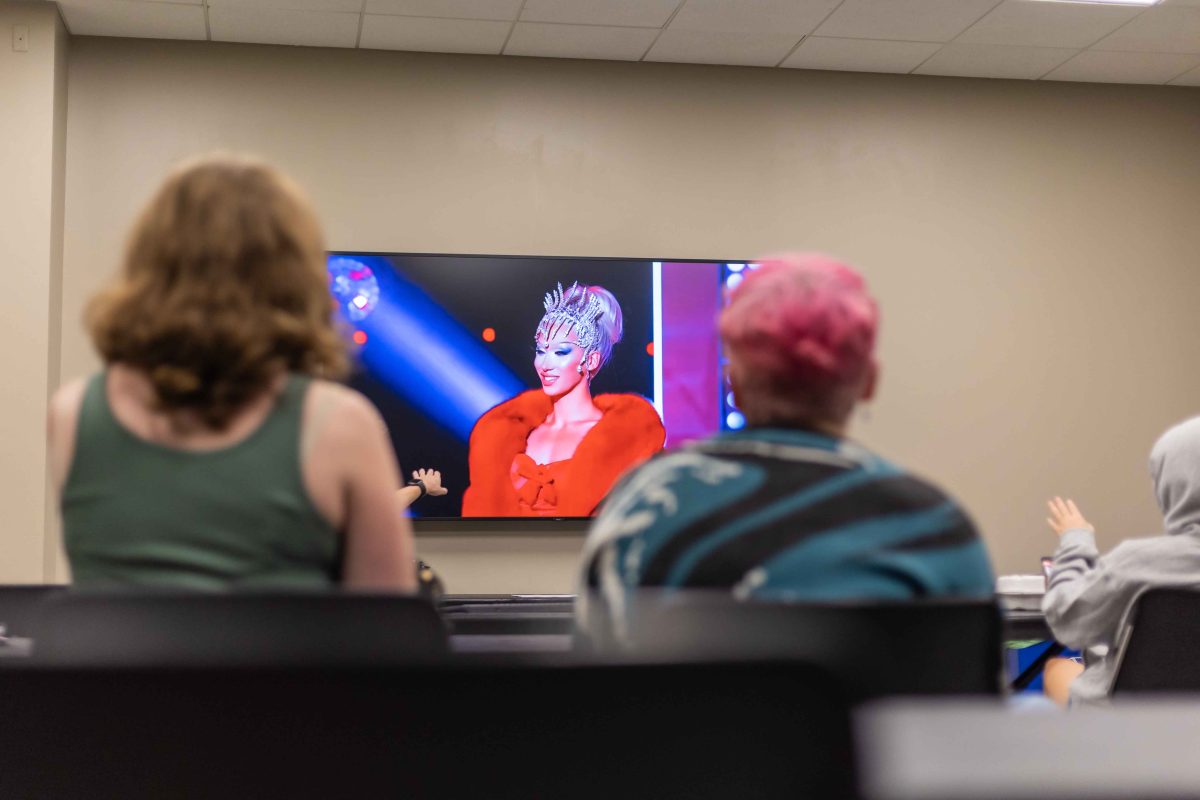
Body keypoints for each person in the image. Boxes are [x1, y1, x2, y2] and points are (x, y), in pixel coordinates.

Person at [577, 253, 994, 643]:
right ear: (869, 382)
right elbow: (970, 708)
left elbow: (601, 699)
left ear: (732, 383)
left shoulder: (639, 507)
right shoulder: (934, 523)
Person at [48, 154, 417, 591]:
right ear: (293, 275)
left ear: (149, 264)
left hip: (122, 662)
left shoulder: (71, 415)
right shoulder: (342, 425)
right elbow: (387, 631)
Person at [461, 282, 665, 517]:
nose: (545, 365)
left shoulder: (620, 440)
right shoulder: (509, 434)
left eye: (560, 352)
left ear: (591, 360)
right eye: (540, 351)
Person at [1042, 417, 1200, 707]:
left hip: (1128, 726)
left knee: (1057, 669)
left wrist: (1075, 540)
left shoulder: (1141, 562)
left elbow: (1067, 621)